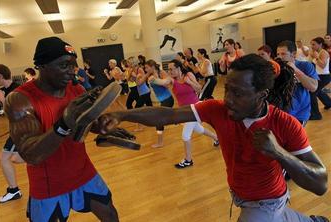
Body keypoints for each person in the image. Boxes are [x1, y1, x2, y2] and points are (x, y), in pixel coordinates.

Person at [95, 54, 328, 222]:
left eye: (238, 93)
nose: (228, 99)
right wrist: (121, 114)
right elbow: (168, 114)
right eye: (228, 89)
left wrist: (279, 153)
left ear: (262, 95)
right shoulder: (218, 109)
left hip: (267, 201)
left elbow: (320, 184)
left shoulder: (285, 124)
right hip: (241, 195)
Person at [4, 37, 119, 221]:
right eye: (64, 65)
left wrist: (104, 126)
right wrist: (64, 124)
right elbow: (30, 154)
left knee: (111, 215)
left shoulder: (77, 90)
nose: (72, 72)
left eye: (73, 65)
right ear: (42, 66)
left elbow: (86, 123)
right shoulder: (20, 100)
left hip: (83, 170)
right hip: (49, 183)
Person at [143, 59, 218, 168]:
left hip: (195, 108)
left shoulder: (188, 75)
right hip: (184, 111)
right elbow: (162, 82)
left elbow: (199, 89)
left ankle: (188, 160)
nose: (170, 71)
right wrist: (153, 79)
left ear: (178, 68)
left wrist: (190, 82)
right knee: (198, 128)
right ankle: (216, 138)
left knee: (185, 135)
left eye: (172, 69)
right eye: (168, 69)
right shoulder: (172, 80)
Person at [0, 64, 25, 203]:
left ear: (0, 76)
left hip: (20, 129)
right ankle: (40, 155)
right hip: (16, 129)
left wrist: (3, 100)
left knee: (4, 158)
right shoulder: (3, 90)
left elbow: (19, 112)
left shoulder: (17, 89)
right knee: (13, 159)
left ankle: (13, 190)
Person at [277, 40, 318, 125]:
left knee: (293, 138)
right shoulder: (278, 68)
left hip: (300, 114)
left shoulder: (305, 66)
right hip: (281, 112)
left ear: (294, 54)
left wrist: (295, 69)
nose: (280, 57)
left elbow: (313, 87)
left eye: (283, 54)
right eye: (278, 54)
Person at [145, 59, 174, 148]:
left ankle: (160, 142)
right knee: (163, 119)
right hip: (163, 100)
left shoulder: (161, 72)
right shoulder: (150, 76)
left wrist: (157, 78)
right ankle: (175, 119)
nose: (146, 69)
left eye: (147, 67)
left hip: (168, 99)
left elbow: (167, 85)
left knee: (158, 120)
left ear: (152, 67)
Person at [309, 37, 331, 120]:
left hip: (324, 76)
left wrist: (316, 57)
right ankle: (328, 103)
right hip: (319, 75)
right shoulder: (317, 52)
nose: (312, 46)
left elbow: (323, 65)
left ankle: (316, 115)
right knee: (318, 91)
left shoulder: (323, 52)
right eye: (311, 44)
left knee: (312, 92)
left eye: (314, 44)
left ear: (320, 44)